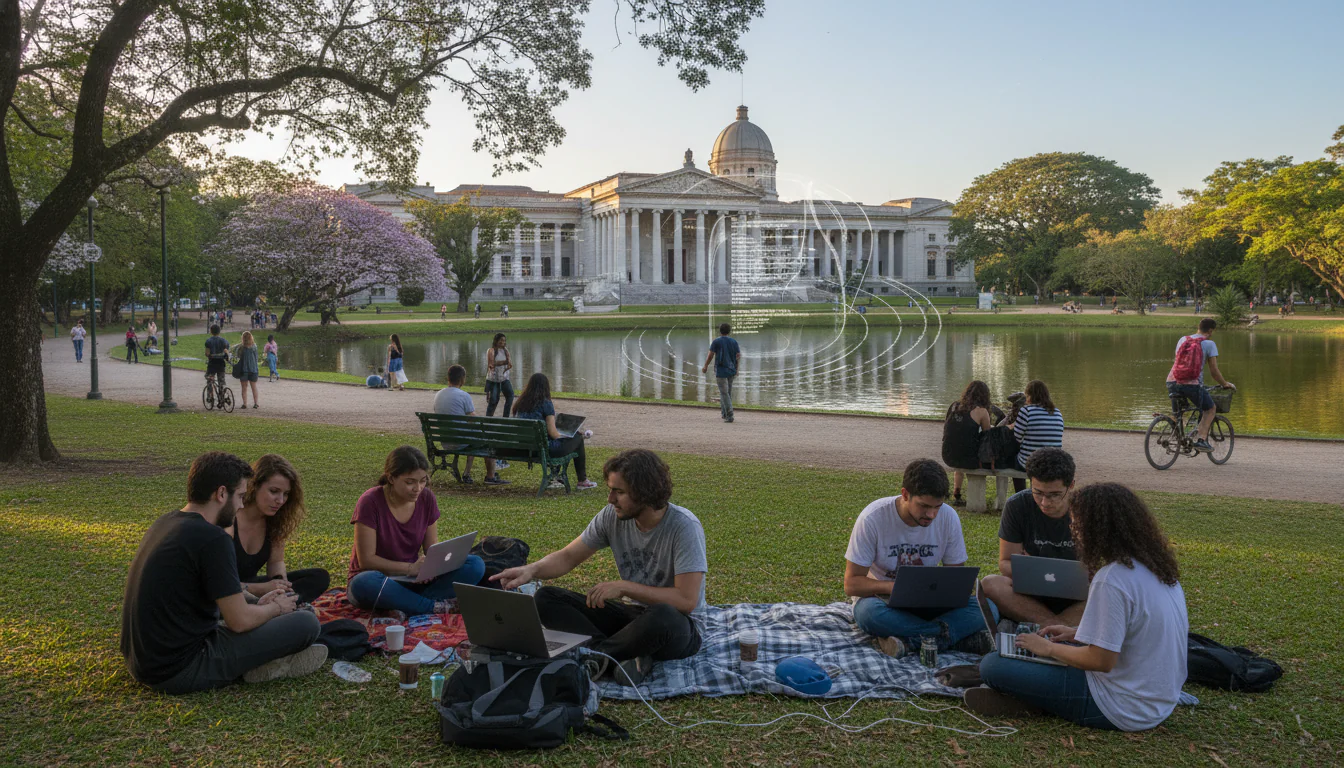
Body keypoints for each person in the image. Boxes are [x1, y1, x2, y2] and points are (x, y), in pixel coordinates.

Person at [966, 483, 1189, 732]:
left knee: (993, 666)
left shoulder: (1113, 579)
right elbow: (1133, 634)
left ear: (1097, 528)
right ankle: (1034, 696)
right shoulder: (1158, 570)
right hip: (1159, 703)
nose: (1074, 529)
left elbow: (1101, 660)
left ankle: (1032, 702)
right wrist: (1077, 633)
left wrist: (1048, 648)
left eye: (1077, 522)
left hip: (1120, 706)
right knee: (1037, 657)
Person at [493, 449, 706, 685]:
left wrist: (624, 587)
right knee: (546, 598)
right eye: (610, 490)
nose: (610, 499)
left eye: (619, 492)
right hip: (631, 620)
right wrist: (531, 570)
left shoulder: (684, 526)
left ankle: (593, 657)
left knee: (662, 614)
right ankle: (622, 655)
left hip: (677, 628)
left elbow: (686, 601)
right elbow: (568, 556)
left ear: (645, 493)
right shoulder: (611, 516)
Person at [120, 451, 324, 694]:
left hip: (141, 661)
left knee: (271, 614)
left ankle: (266, 659)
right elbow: (240, 622)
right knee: (306, 623)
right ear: (221, 494)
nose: (240, 503)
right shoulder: (214, 538)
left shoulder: (166, 521)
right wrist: (277, 608)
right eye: (239, 496)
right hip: (179, 668)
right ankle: (271, 662)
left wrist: (258, 602)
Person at [845, 458, 993, 659]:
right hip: (885, 601)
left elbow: (955, 576)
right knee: (868, 614)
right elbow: (852, 584)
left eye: (937, 507)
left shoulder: (948, 517)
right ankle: (950, 638)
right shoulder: (873, 518)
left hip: (931, 601)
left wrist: (948, 592)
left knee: (988, 608)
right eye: (924, 506)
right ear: (905, 494)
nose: (931, 515)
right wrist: (894, 587)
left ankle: (910, 641)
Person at [346, 446, 487, 615]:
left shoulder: (426, 498)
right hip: (381, 579)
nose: (418, 488)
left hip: (413, 581)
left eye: (423, 481)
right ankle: (431, 606)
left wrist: (432, 567)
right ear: (391, 478)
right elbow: (367, 561)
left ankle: (407, 605)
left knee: (475, 564)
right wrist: (409, 568)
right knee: (364, 582)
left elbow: (431, 548)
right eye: (410, 482)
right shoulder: (370, 502)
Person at [979, 448, 1086, 627]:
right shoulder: (1017, 505)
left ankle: (1048, 628)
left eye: (1054, 494)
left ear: (1071, 485)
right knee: (990, 584)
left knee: (1112, 592)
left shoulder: (1087, 509)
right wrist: (1032, 571)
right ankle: (1059, 627)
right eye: (1038, 492)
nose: (1045, 502)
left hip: (1078, 596)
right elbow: (1005, 562)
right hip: (1032, 595)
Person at [225, 454, 330, 604]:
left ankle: (279, 602)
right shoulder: (228, 519)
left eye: (286, 494)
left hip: (253, 585)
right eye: (274, 491)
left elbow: (276, 562)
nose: (280, 501)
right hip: (225, 591)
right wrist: (261, 589)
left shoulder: (274, 520)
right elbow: (215, 581)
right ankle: (277, 606)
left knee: (318, 577)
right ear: (254, 486)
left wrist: (280, 584)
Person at [513, 373, 598, 490]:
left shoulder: (520, 404)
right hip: (543, 449)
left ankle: (556, 477)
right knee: (577, 439)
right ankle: (581, 480)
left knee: (566, 439)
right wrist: (569, 435)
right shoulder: (545, 403)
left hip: (525, 448)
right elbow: (553, 434)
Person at [1166, 318, 1236, 452]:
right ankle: (1201, 440)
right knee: (1210, 409)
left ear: (1198, 327)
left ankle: (1177, 434)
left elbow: (1179, 363)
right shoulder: (1209, 344)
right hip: (1191, 384)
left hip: (1172, 381)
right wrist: (1225, 384)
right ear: (1210, 330)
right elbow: (1214, 372)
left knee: (1181, 411)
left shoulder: (1183, 339)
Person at [433, 364, 508, 486]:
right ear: (462, 379)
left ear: (448, 378)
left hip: (445, 441)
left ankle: (467, 473)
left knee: (471, 435)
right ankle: (490, 476)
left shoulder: (439, 395)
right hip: (460, 441)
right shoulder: (463, 395)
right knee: (486, 437)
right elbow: (474, 419)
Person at [942, 380, 995, 506]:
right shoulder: (982, 411)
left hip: (948, 455)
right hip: (969, 460)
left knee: (961, 445)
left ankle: (957, 493)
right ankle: (973, 497)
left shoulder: (954, 406)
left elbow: (951, 429)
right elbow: (988, 437)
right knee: (971, 450)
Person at [1006, 380, 1064, 491]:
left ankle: (1021, 493)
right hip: (1052, 462)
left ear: (1030, 396)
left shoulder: (1026, 411)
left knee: (1014, 458)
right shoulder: (1057, 412)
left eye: (1026, 395)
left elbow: (1016, 439)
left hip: (1030, 463)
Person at [701, 323, 741, 423]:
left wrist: (705, 366)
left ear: (720, 331)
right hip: (731, 370)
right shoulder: (734, 342)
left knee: (724, 393)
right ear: (729, 331)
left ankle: (730, 414)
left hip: (721, 370)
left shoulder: (716, 341)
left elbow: (710, 355)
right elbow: (738, 356)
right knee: (727, 393)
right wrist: (737, 369)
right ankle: (724, 413)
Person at [484, 333, 514, 417]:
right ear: (496, 340)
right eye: (501, 340)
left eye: (504, 340)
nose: (503, 342)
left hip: (504, 379)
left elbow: (509, 364)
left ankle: (505, 418)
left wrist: (505, 369)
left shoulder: (506, 351)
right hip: (494, 380)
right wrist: (504, 362)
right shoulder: (491, 350)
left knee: (510, 396)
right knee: (493, 401)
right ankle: (488, 421)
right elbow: (491, 364)